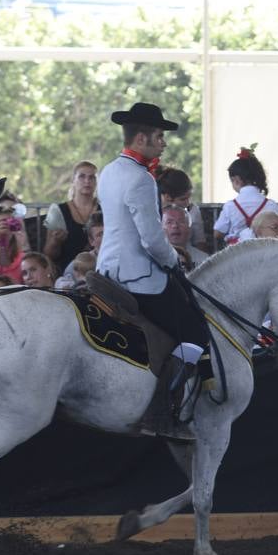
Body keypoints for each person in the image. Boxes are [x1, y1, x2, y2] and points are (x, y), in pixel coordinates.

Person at [98, 102, 212, 441]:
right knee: (195, 330)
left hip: (108, 268)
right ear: (143, 137)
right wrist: (174, 262)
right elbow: (151, 238)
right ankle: (162, 411)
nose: (163, 143)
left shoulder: (108, 171)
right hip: (136, 276)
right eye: (160, 136)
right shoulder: (141, 178)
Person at [213, 146, 278, 246]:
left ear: (236, 180)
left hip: (236, 254)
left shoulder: (230, 206)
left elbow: (217, 234)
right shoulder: (271, 205)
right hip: (264, 252)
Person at [42, 161, 98, 271]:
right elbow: (48, 254)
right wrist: (55, 241)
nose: (87, 181)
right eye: (82, 176)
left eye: (92, 177)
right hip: (69, 272)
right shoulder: (59, 211)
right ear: (73, 180)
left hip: (99, 269)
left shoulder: (105, 209)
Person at [157, 167, 208, 251]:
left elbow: (200, 242)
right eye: (183, 199)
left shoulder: (192, 210)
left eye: (189, 198)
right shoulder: (153, 212)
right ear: (167, 197)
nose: (187, 203)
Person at [58, 210, 103, 285]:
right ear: (91, 240)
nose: (106, 238)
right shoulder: (79, 264)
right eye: (100, 235)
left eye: (108, 233)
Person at [162, 204, 210, 269]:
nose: (175, 226)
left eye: (181, 221)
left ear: (189, 229)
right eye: (169, 222)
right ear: (160, 228)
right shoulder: (152, 259)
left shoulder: (204, 260)